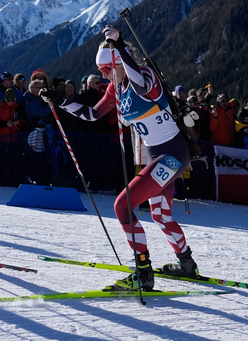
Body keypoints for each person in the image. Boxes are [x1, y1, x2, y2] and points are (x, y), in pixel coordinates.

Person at [59, 25, 198, 291]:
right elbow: (92, 114)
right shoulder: (116, 88)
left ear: (120, 62)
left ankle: (143, 273)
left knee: (122, 206)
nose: (104, 75)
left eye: (107, 69)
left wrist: (121, 45)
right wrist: (60, 102)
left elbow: (142, 84)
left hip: (172, 155)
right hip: (158, 157)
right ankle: (187, 264)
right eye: (101, 71)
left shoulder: (145, 77)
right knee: (160, 214)